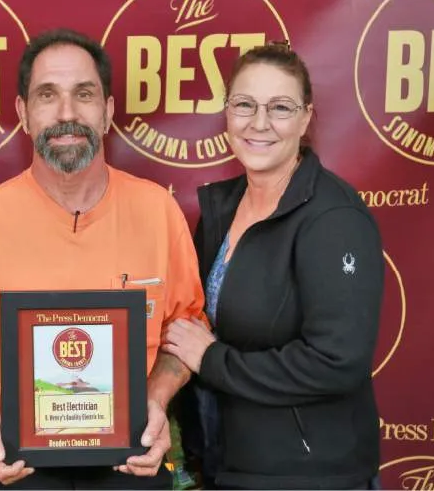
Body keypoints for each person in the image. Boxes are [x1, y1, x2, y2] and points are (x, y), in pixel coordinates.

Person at [0, 28, 206, 490]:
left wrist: (155, 401)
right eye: (47, 95)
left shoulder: (158, 210)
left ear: (109, 110)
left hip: (131, 462)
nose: (67, 113)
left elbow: (187, 331)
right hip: (17, 467)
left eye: (85, 94)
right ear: (23, 113)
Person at [164, 42, 383, 489]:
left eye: (280, 107)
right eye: (244, 104)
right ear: (226, 112)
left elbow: (337, 361)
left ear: (305, 118)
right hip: (231, 464)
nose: (258, 123)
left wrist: (212, 360)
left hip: (311, 476)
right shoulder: (222, 209)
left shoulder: (333, 218)